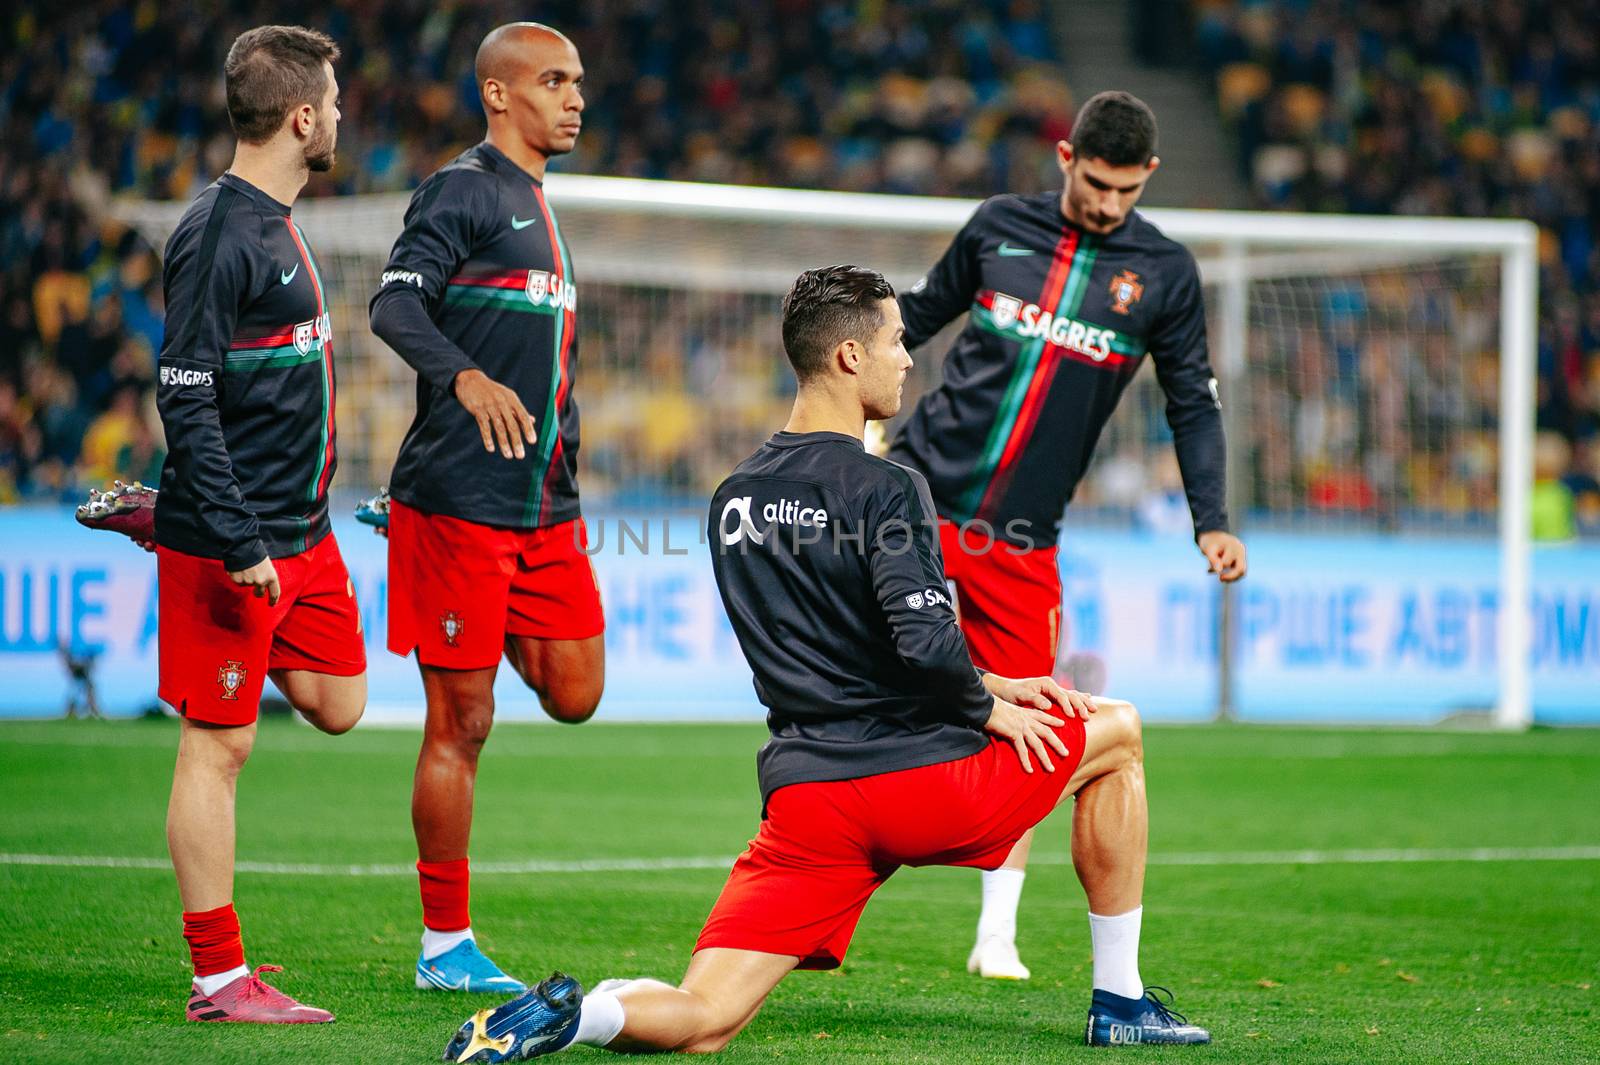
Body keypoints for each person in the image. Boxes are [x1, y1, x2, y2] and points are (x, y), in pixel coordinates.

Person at [445, 266, 1210, 1062]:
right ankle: (1120, 999)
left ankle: (579, 1015)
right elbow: (920, 641)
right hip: (920, 780)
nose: (908, 359)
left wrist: (986, 680)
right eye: (896, 341)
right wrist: (985, 707)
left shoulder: (733, 496)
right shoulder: (886, 484)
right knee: (1116, 730)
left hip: (810, 798)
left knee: (706, 1017)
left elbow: (843, 646)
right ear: (849, 356)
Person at [885, 90, 1248, 978]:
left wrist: (1212, 518)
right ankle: (814, 905)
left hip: (1022, 540)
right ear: (1064, 156)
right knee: (867, 705)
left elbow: (1191, 401)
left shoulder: (1162, 273)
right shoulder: (997, 228)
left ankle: (994, 934)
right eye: (1096, 183)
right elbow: (915, 319)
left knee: (1033, 726)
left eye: (1127, 190)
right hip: (919, 509)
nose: (1109, 205)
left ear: (1148, 178)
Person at [367, 22, 603, 994]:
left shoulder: (541, 208)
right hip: (461, 500)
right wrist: (460, 380)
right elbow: (392, 305)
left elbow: (547, 370)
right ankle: (443, 946)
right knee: (461, 722)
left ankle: (448, 588)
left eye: (577, 81)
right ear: (499, 95)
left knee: (578, 692)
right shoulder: (463, 189)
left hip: (544, 506)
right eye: (552, 81)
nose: (573, 97)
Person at [152, 25, 364, 1023]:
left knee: (339, 701)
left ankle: (163, 514)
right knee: (218, 748)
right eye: (332, 98)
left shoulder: (277, 218)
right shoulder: (218, 233)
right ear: (301, 117)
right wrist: (232, 542)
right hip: (236, 544)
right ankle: (218, 979)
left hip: (305, 534)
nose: (341, 112)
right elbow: (184, 395)